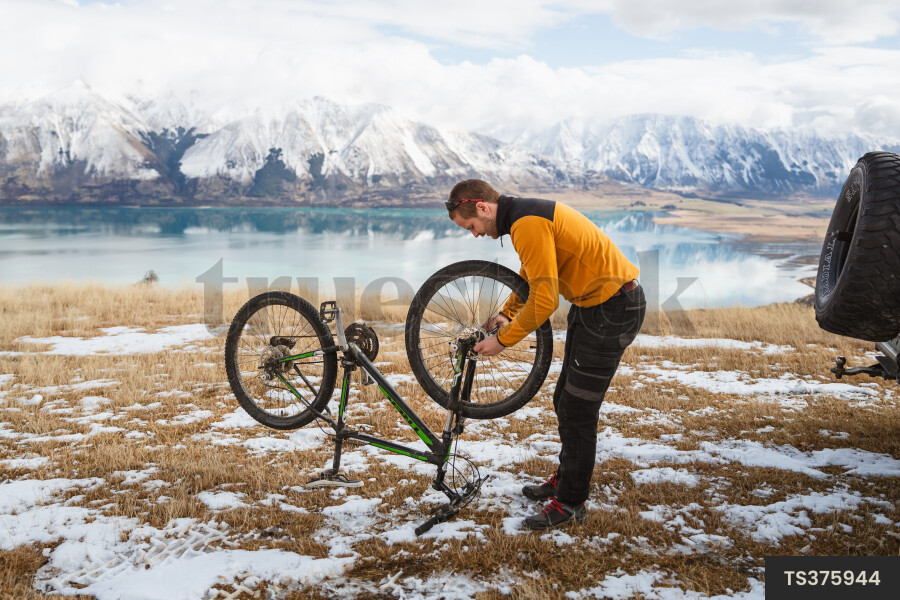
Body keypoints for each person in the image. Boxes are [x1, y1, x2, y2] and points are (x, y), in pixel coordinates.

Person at [445, 179, 646, 530]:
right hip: (592, 306)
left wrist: (503, 341)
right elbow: (535, 273)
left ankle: (570, 504)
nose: (474, 234)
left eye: (471, 227)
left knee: (579, 407)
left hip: (613, 308)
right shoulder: (523, 216)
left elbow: (545, 299)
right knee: (564, 399)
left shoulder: (526, 222)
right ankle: (567, 479)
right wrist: (508, 312)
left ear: (482, 207)